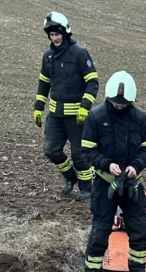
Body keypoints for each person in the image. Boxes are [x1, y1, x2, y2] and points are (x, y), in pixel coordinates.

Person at [80, 70, 146, 272]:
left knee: (139, 225)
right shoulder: (96, 117)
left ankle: (137, 267)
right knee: (101, 227)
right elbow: (87, 150)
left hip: (132, 183)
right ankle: (93, 270)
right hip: (105, 183)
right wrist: (106, 164)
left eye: (124, 104)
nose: (120, 106)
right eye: (116, 103)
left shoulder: (140, 118)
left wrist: (136, 166)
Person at [33, 12, 100, 201]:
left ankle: (87, 188)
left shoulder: (80, 53)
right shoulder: (48, 57)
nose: (54, 38)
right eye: (51, 34)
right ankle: (70, 178)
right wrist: (38, 107)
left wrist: (85, 107)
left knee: (80, 155)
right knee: (51, 150)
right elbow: (44, 83)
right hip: (55, 116)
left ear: (65, 32)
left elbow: (92, 81)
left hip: (77, 117)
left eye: (57, 34)